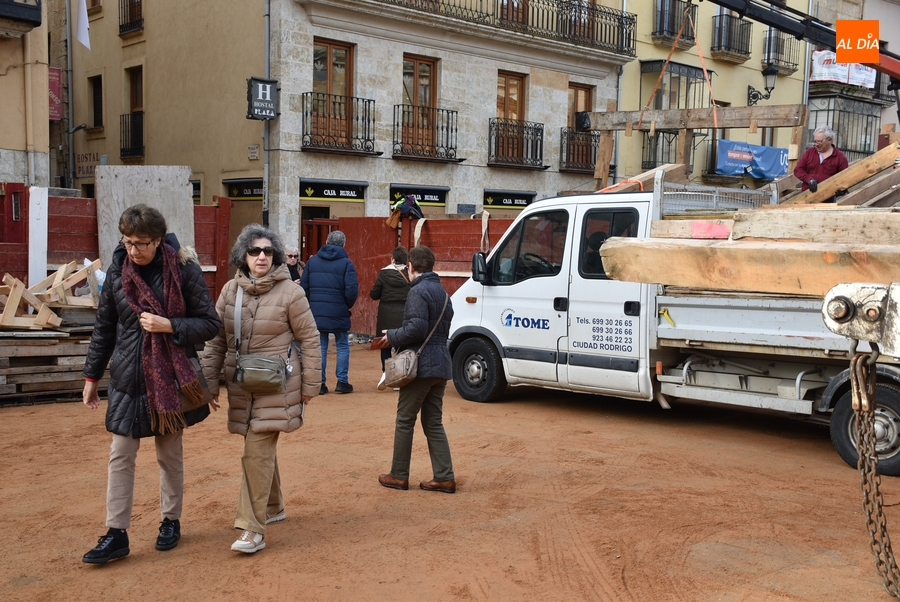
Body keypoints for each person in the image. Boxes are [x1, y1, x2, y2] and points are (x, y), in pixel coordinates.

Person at [81, 204, 221, 564]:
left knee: (168, 454)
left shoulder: (184, 269)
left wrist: (170, 325)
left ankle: (170, 521)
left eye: (141, 243)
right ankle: (116, 533)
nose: (133, 250)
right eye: (128, 242)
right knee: (120, 455)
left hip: (170, 378)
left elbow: (209, 323)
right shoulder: (117, 271)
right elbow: (104, 327)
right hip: (128, 376)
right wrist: (91, 376)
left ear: (158, 240)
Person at [200, 224, 321, 554]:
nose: (262, 256)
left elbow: (310, 339)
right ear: (244, 255)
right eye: (255, 251)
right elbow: (216, 340)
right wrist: (210, 382)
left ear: (277, 256)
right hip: (242, 386)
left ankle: (252, 529)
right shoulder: (229, 292)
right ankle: (274, 505)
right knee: (259, 449)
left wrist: (311, 385)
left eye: (268, 251)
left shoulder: (291, 293)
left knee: (255, 450)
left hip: (277, 387)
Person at [372, 245, 456, 494]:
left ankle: (398, 475)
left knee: (405, 419)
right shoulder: (442, 293)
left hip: (421, 365)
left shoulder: (418, 292)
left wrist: (392, 336)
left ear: (410, 267)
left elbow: (417, 329)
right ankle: (444, 476)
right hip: (440, 363)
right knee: (433, 422)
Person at [301, 230, 359, 395]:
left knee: (321, 346)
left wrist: (311, 306)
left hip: (316, 310)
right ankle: (342, 381)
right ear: (344, 244)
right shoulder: (346, 263)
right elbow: (351, 290)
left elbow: (304, 288)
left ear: (326, 241)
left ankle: (320, 383)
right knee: (342, 345)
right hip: (339, 309)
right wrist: (346, 305)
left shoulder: (312, 262)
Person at [369, 246, 410, 390]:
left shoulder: (383, 273)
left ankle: (385, 372)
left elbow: (374, 294)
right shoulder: (409, 273)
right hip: (404, 313)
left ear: (392, 259)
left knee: (385, 344)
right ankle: (398, 377)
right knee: (402, 344)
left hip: (386, 313)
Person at [794, 126, 849, 199]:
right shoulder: (809, 153)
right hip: (807, 195)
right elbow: (798, 170)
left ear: (829, 140)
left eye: (819, 141)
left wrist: (842, 188)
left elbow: (845, 176)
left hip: (828, 198)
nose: (816, 144)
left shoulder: (839, 157)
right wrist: (809, 179)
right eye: (815, 141)